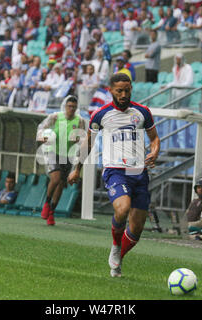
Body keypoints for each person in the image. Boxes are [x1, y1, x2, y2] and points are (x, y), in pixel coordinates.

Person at [67, 73, 160, 278]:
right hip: (115, 171)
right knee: (123, 207)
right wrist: (76, 168)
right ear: (111, 91)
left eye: (127, 90)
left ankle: (118, 259)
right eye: (120, 91)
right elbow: (88, 143)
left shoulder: (142, 112)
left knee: (136, 229)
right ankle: (116, 244)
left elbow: (154, 138)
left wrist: (154, 151)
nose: (124, 94)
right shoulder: (101, 115)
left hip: (139, 173)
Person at [37, 95, 87, 226]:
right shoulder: (55, 117)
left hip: (68, 155)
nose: (71, 109)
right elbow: (41, 127)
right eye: (69, 106)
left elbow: (83, 137)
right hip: (53, 151)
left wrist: (79, 139)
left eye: (74, 107)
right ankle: (47, 203)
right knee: (55, 178)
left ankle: (52, 212)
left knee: (61, 184)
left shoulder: (80, 120)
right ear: (65, 106)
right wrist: (43, 137)